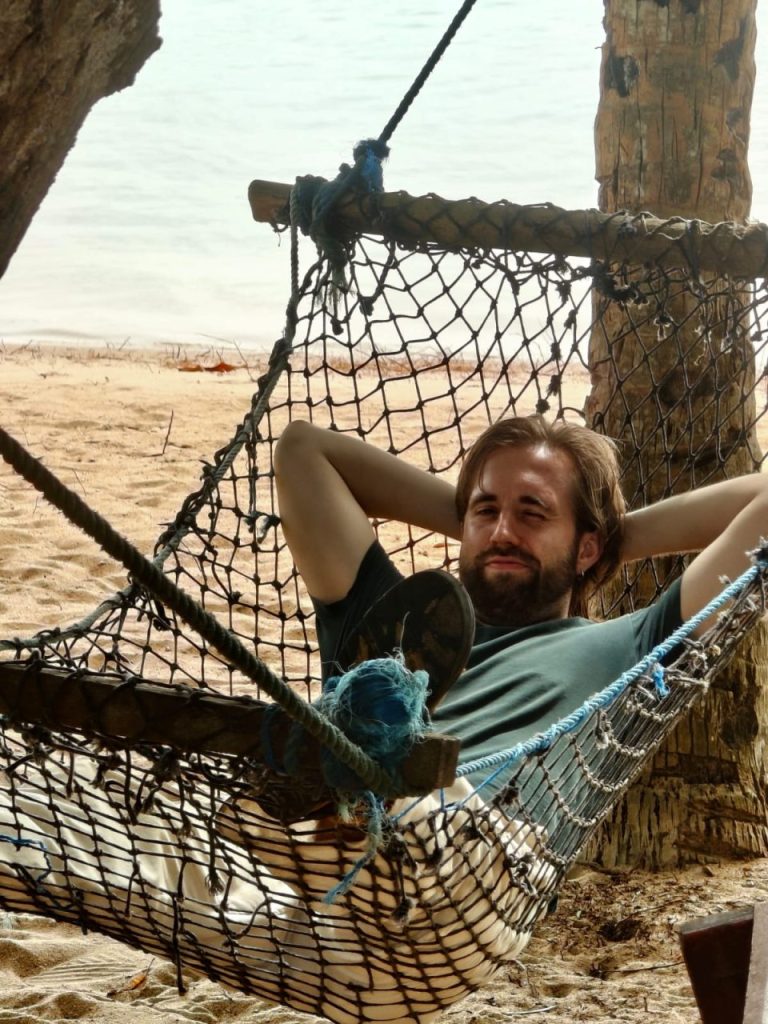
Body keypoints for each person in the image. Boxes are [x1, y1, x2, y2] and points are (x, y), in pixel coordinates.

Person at [274, 414, 768, 797]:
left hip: (466, 854)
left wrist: (608, 543)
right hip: (315, 830)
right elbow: (303, 451)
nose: (504, 532)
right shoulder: (394, 618)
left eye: (534, 514)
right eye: (486, 510)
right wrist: (483, 528)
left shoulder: (636, 646)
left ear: (587, 548)